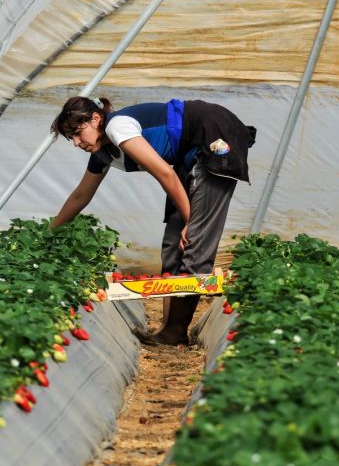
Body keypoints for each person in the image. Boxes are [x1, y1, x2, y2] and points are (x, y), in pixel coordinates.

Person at [50, 96, 256, 345]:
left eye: (77, 133)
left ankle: (175, 332)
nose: (76, 142)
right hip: (188, 155)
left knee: (194, 243)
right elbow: (80, 196)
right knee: (172, 246)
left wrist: (190, 222)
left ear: (95, 119)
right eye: (70, 138)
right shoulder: (102, 153)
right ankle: (168, 328)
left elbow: (165, 174)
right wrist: (49, 235)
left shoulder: (117, 127)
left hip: (212, 136)